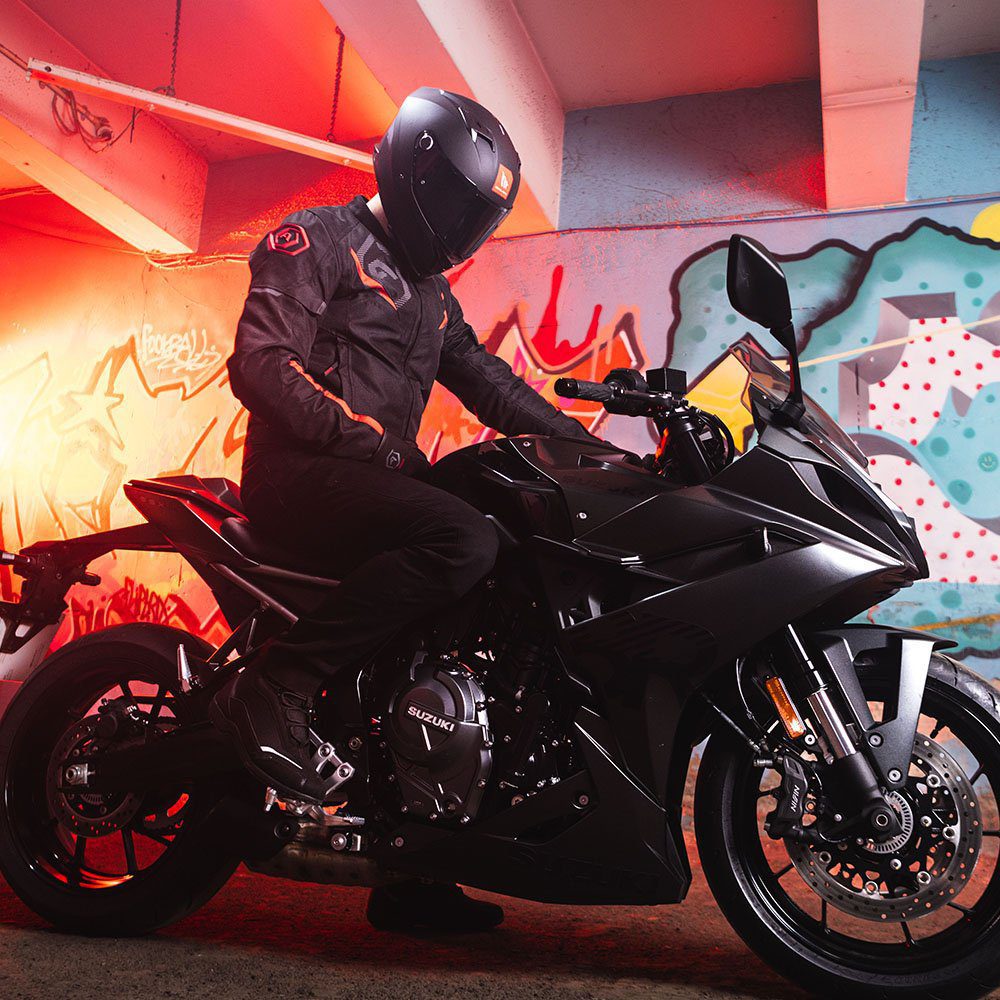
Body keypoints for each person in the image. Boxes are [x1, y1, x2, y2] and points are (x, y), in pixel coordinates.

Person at [210, 87, 595, 930]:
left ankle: (418, 854)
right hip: (299, 474)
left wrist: (591, 452)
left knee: (507, 550)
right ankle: (276, 684)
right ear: (416, 172)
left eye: (478, 217)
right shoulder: (318, 238)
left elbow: (488, 383)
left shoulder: (431, 296)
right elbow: (260, 363)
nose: (463, 229)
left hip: (374, 479)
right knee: (462, 538)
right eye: (459, 204)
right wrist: (372, 444)